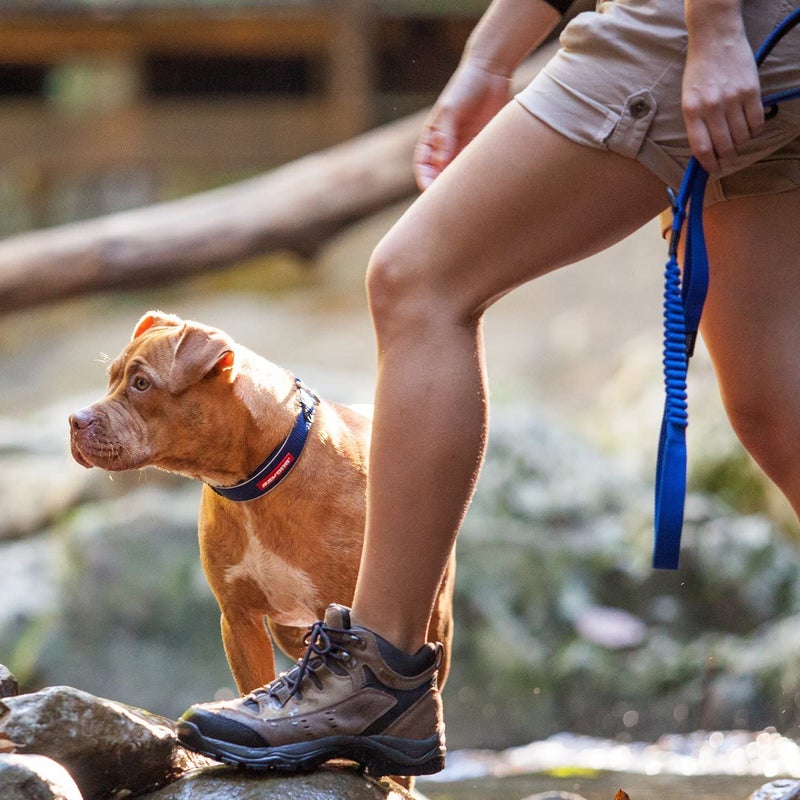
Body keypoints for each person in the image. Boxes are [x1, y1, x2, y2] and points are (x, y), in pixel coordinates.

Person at [176, 0, 800, 778]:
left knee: (417, 282)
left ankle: (378, 677)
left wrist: (710, 32)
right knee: (778, 410)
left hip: (703, 21)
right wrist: (489, 55)